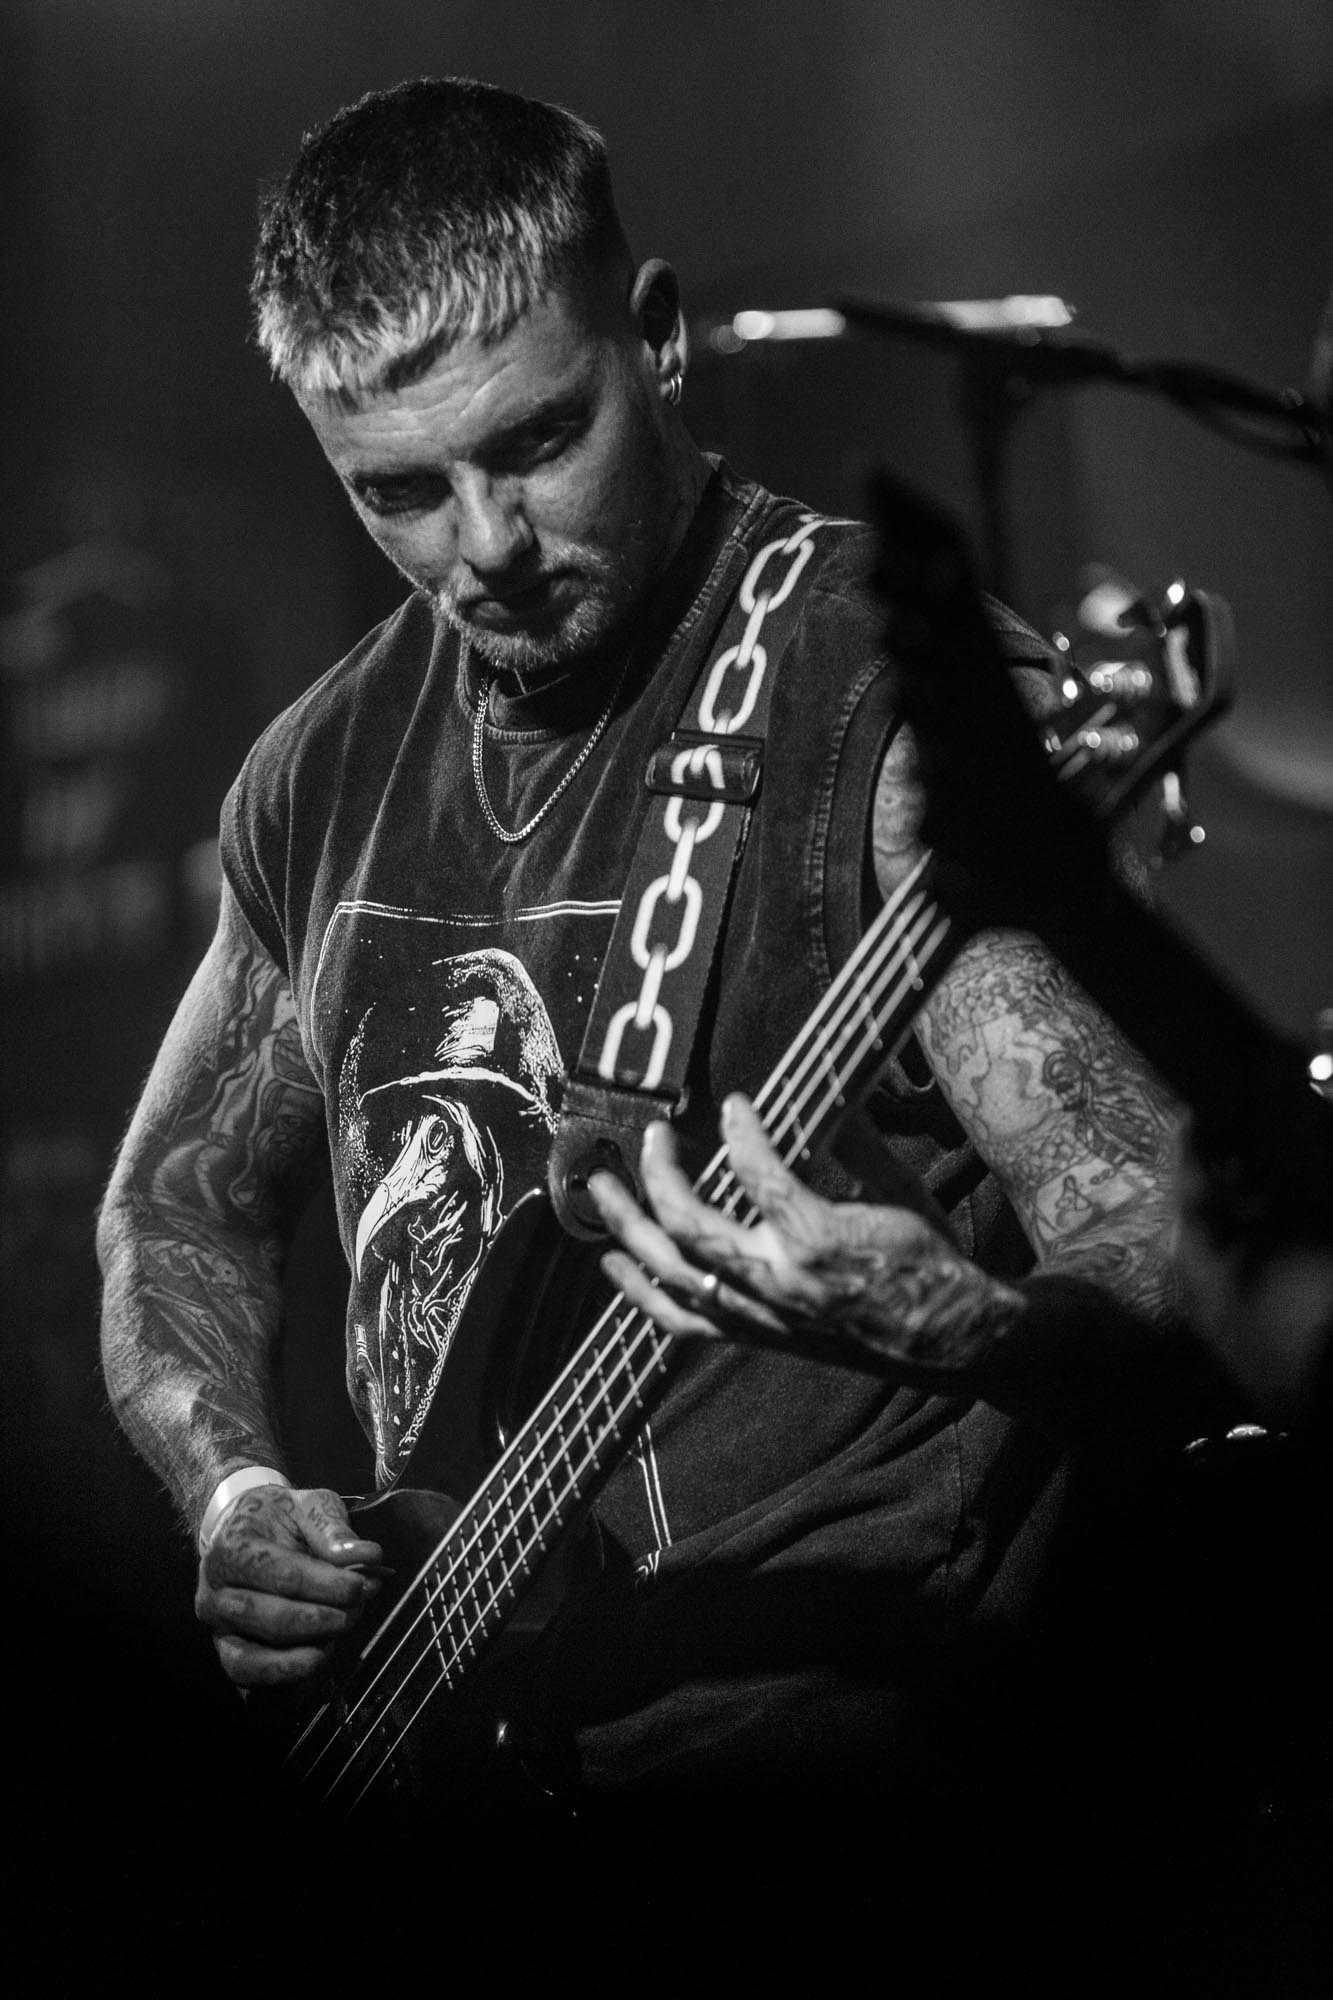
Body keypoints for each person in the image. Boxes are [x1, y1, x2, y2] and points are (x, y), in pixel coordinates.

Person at [96, 76, 1193, 1950]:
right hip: (455, 1742)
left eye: (535, 440)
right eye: (396, 490)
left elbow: (1164, 1228)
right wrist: (233, 1493)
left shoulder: (886, 709)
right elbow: (173, 1200)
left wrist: (979, 1320)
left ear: (659, 338)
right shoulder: (316, 774)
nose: (485, 545)